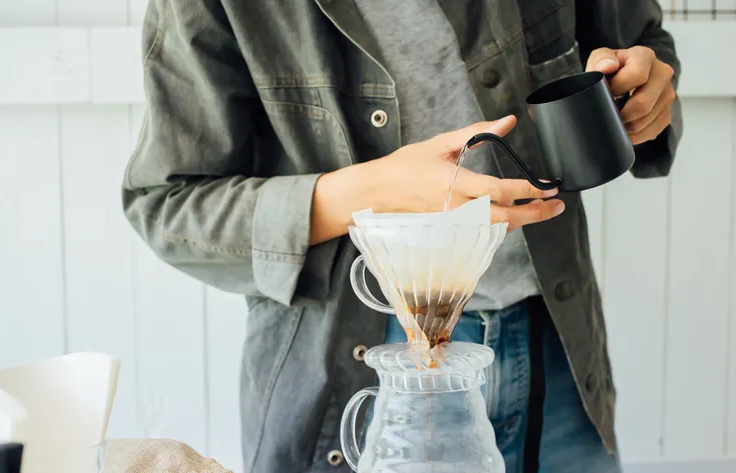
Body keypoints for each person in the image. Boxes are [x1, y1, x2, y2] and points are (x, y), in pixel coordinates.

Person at [122, 1, 682, 472]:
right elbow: (167, 205)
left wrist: (646, 91)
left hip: (558, 352)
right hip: (358, 374)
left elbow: (641, 46)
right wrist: (371, 193)